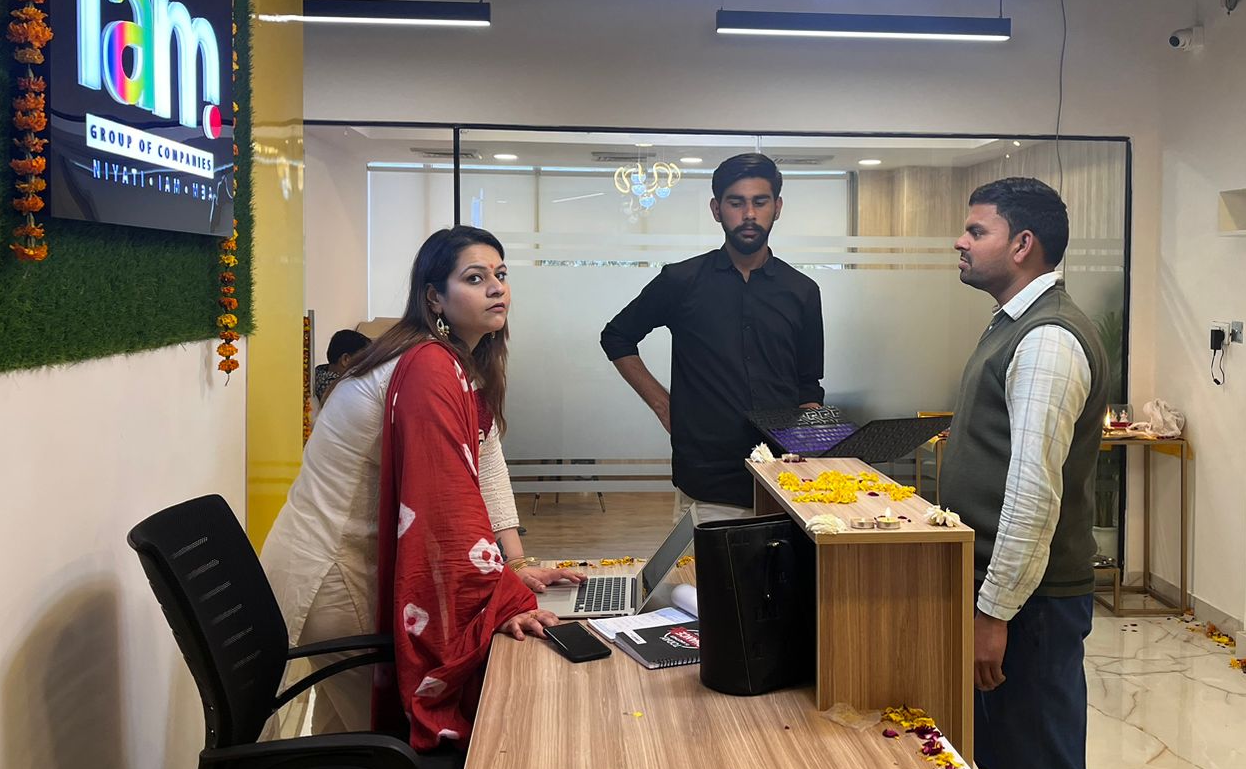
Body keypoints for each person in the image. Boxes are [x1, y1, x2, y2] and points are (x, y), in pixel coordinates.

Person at [261, 227, 583, 735]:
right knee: (383, 740)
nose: (496, 288)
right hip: (338, 571)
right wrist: (498, 596)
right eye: (474, 278)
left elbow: (486, 462)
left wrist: (515, 565)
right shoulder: (426, 366)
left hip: (348, 562)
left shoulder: (455, 360)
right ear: (434, 296)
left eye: (501, 275)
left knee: (344, 733)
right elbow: (445, 507)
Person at [937, 177, 1107, 769]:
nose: (961, 241)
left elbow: (1033, 494)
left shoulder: (1047, 339)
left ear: (1022, 244)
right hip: (1005, 597)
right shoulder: (1014, 324)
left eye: (976, 231)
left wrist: (993, 613)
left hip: (1029, 606)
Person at [600, 153, 825, 521]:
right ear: (717, 209)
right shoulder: (681, 281)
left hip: (786, 482)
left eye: (760, 202)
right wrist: (663, 405)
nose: (749, 214)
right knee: (701, 563)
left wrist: (811, 436)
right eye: (736, 203)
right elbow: (617, 336)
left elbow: (808, 383)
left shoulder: (802, 291)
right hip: (707, 483)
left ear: (778, 207)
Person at [312, 327, 370, 409]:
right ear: (346, 359)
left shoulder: (319, 373)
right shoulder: (338, 388)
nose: (368, 365)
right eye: (364, 359)